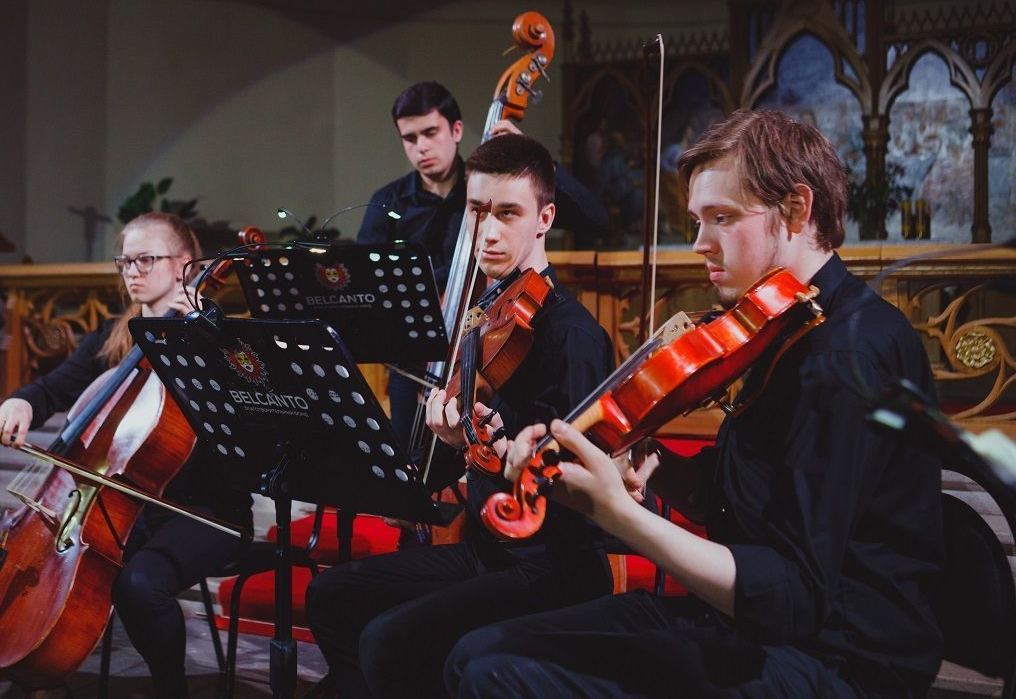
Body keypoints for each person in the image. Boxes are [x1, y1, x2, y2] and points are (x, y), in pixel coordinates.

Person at [447, 109, 944, 698]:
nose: (701, 243)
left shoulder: (846, 354)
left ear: (796, 211)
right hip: (747, 624)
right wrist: (641, 459)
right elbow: (745, 499)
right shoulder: (778, 323)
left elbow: (795, 596)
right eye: (697, 220)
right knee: (478, 652)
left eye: (723, 218)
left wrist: (621, 515)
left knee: (498, 675)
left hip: (836, 659)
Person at [307, 134, 617, 698]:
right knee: (332, 594)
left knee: (387, 640)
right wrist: (447, 442)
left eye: (508, 213)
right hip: (486, 549)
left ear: (545, 217)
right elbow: (440, 477)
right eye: (477, 211)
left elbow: (575, 495)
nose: (488, 231)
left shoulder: (571, 336)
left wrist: (488, 452)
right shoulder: (485, 316)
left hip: (549, 564)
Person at [0, 212, 252, 698]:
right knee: (1, 544)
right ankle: (34, 665)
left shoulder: (217, 340)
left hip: (205, 511)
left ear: (184, 265)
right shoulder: (115, 335)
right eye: (125, 260)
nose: (133, 270)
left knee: (140, 585)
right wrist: (20, 402)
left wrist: (197, 330)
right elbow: (53, 388)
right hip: (126, 506)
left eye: (146, 259)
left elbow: (242, 439)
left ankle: (171, 689)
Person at [359, 80, 608, 459]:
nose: (422, 147)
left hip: (493, 327)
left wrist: (532, 158)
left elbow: (593, 216)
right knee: (414, 462)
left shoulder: (489, 180)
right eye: (410, 138)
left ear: (455, 131)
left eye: (430, 133)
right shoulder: (389, 202)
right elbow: (367, 278)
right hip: (422, 353)